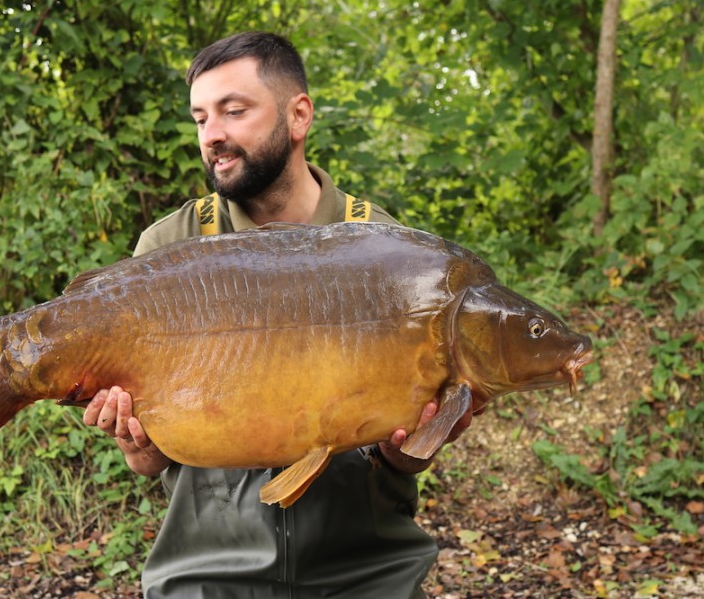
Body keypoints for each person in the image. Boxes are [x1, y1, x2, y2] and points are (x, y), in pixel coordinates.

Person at [83, 31, 470, 598]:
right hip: (208, 575)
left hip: (365, 576)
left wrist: (408, 449)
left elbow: (404, 462)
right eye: (199, 119)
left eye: (233, 111)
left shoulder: (388, 249)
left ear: (298, 116)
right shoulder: (168, 247)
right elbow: (150, 461)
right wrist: (137, 444)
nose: (212, 135)